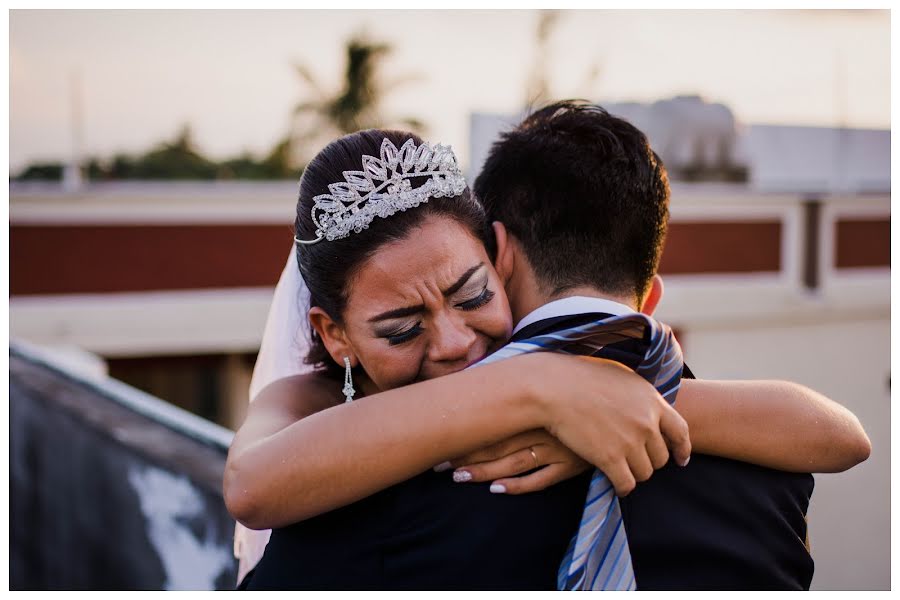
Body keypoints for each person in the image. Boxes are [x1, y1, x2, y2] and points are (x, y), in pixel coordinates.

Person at [225, 121, 869, 589]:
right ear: (333, 335)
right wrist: (539, 390)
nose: (454, 344)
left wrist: (602, 402)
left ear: (499, 261)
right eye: (400, 329)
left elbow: (841, 437)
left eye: (473, 294)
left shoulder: (619, 388)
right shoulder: (305, 406)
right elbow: (251, 486)